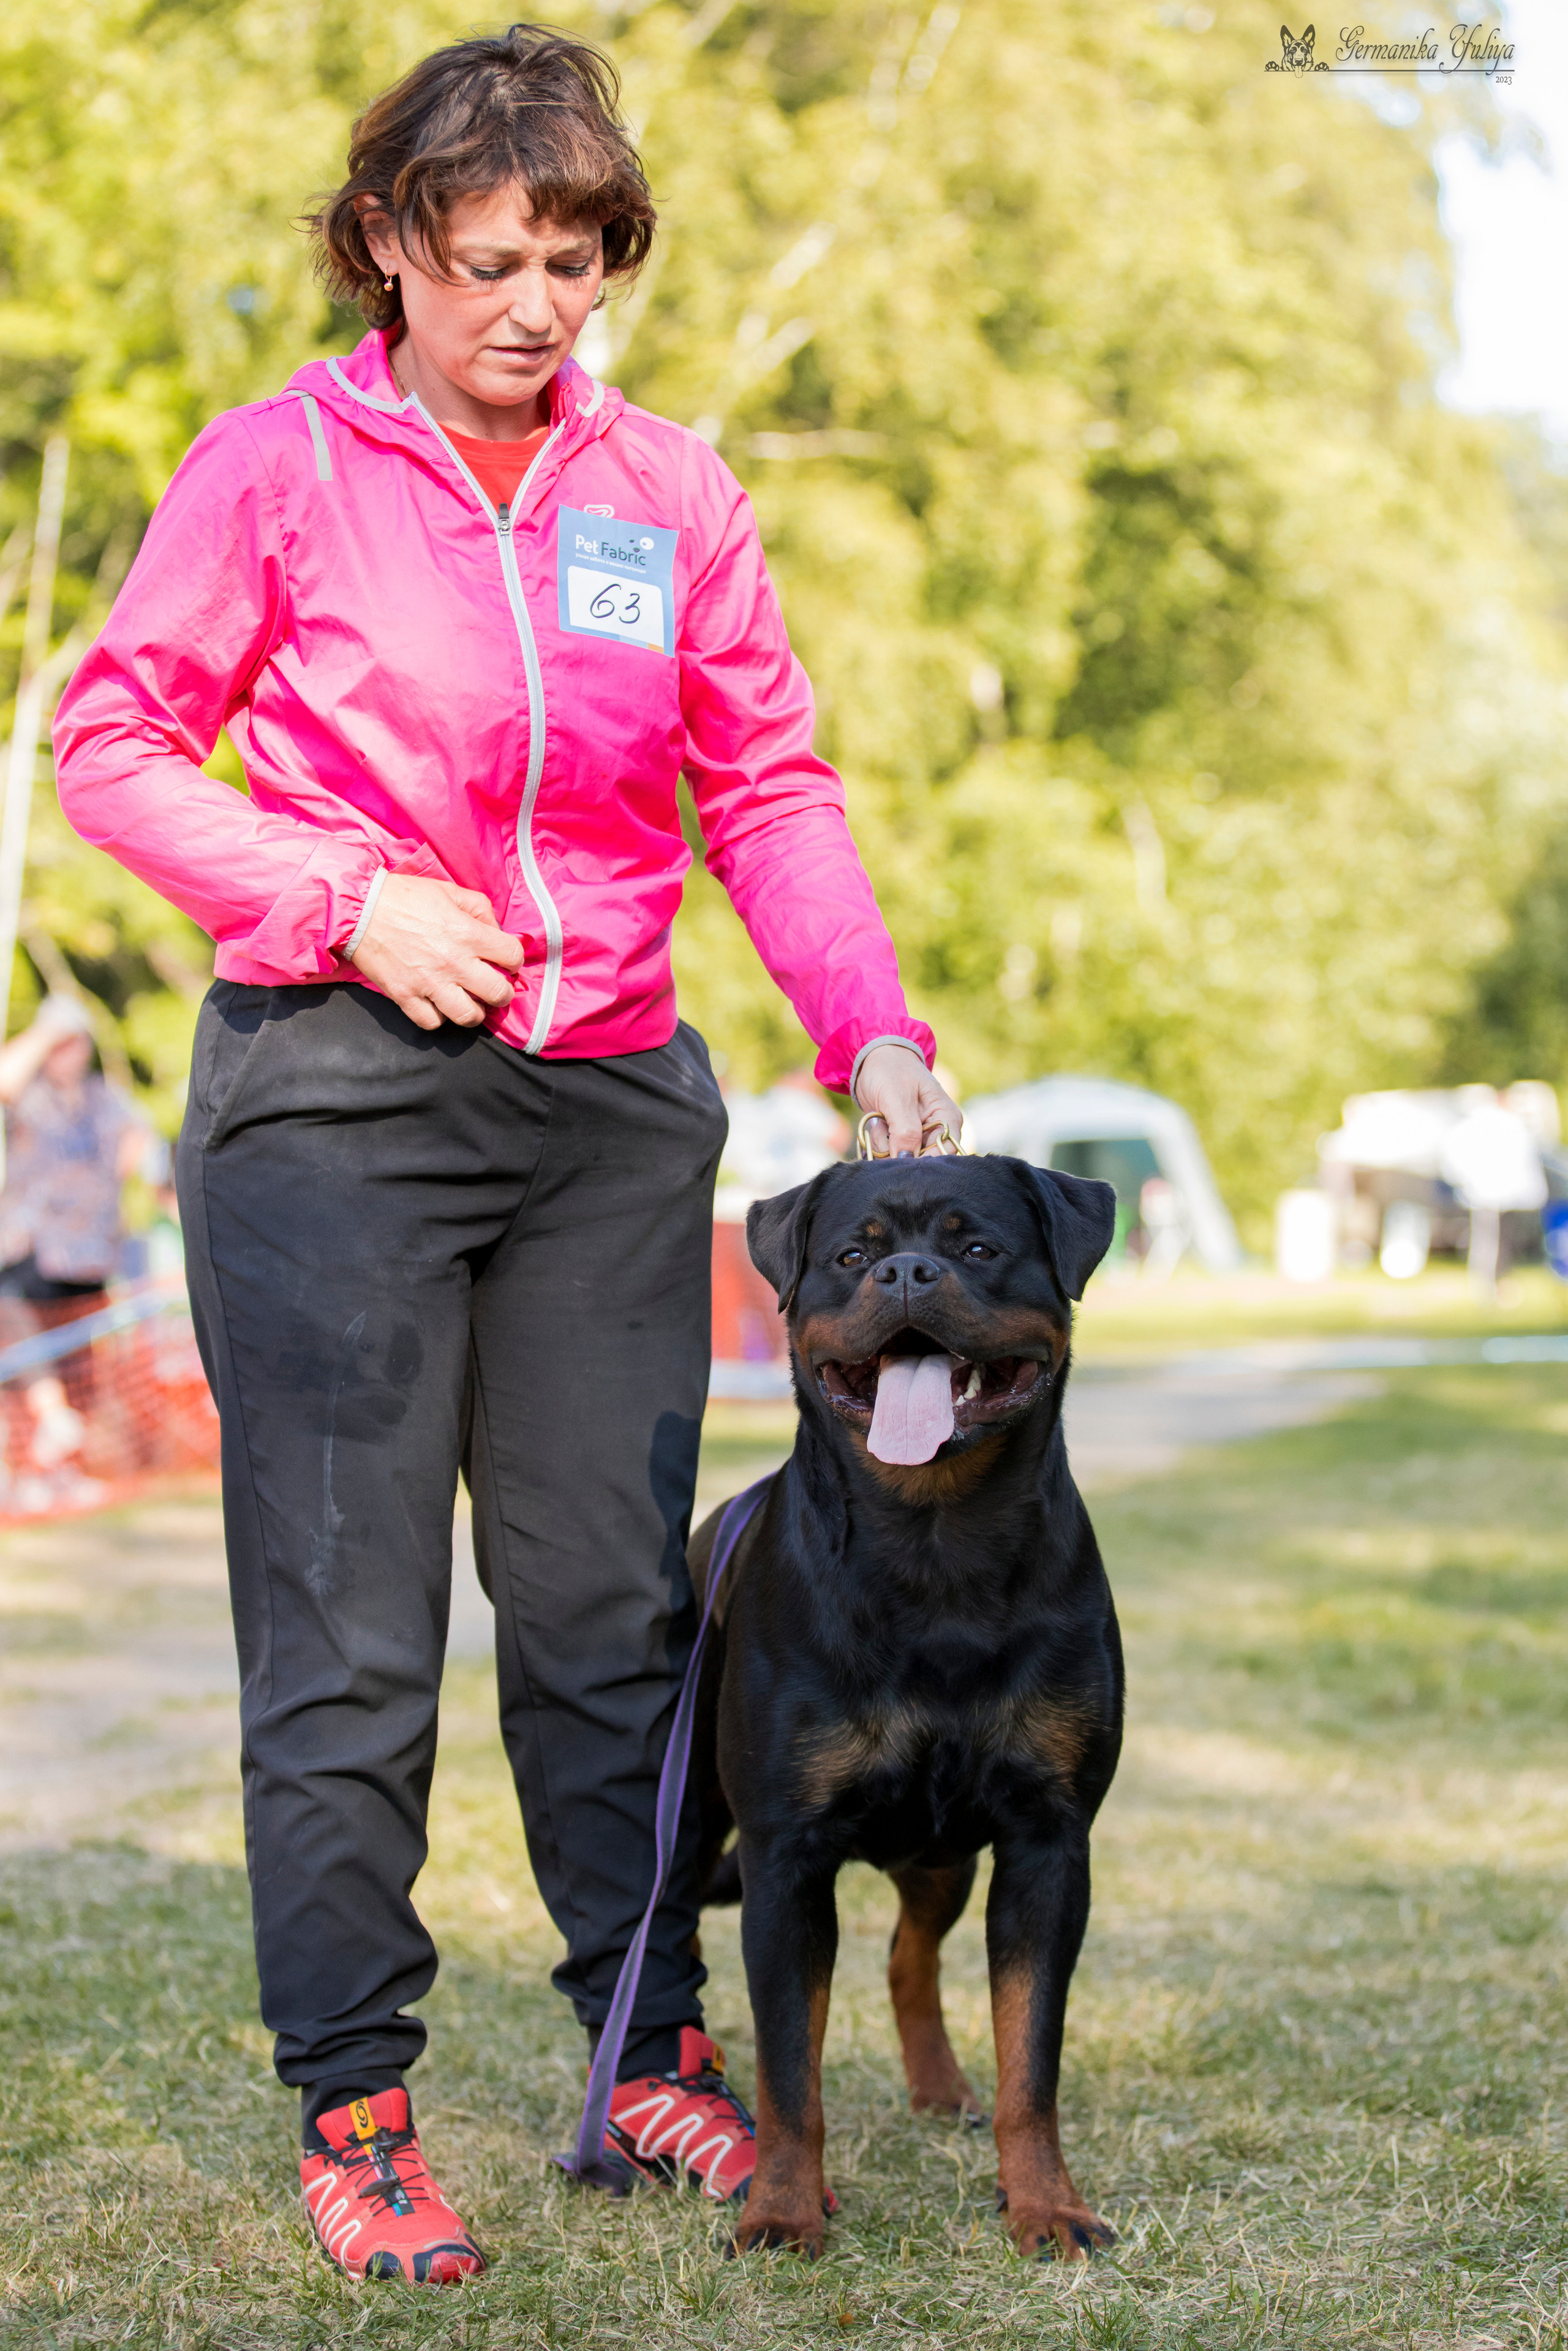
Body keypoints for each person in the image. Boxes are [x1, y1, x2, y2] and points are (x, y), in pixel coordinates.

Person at [53, 23, 960, 2287]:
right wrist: (344, 895)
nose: (534, 305)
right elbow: (115, 736)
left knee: (607, 1615)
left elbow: (761, 782)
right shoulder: (274, 469)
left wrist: (869, 1022)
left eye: (572, 257)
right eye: (485, 258)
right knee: (352, 1640)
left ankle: (640, 2041)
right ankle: (354, 2099)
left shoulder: (668, 493)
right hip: (332, 1103)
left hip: (605, 1114)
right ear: (387, 246)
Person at [0, 996, 150, 1481]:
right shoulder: (28, 1092)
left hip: (90, 1257)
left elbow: (144, 1152)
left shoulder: (105, 1098)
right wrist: (49, 1030)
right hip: (30, 1254)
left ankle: (62, 1471)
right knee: (24, 1362)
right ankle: (27, 1470)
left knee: (81, 1375)